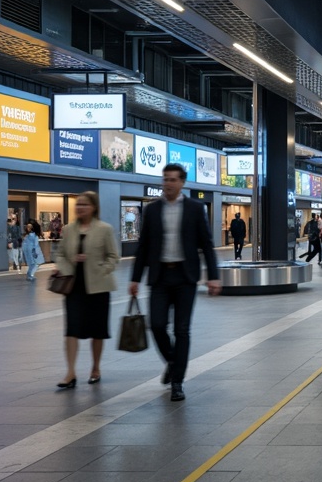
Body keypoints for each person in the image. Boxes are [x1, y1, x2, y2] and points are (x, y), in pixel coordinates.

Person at [129, 164, 222, 402]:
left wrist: (213, 276)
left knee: (182, 330)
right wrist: (135, 278)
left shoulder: (195, 208)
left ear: (182, 183)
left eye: (172, 180)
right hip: (160, 277)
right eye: (165, 179)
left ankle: (177, 382)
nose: (168, 183)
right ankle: (173, 361)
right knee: (157, 325)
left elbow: (207, 244)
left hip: (185, 277)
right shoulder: (152, 210)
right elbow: (143, 246)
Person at [55, 192, 120, 389]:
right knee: (71, 329)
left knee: (97, 331)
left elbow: (113, 256)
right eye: (78, 204)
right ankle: (70, 372)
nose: (80, 208)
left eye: (84, 204)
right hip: (74, 287)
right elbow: (59, 254)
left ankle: (95, 368)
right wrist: (69, 263)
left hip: (98, 287)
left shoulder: (104, 229)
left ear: (93, 207)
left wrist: (102, 269)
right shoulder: (68, 230)